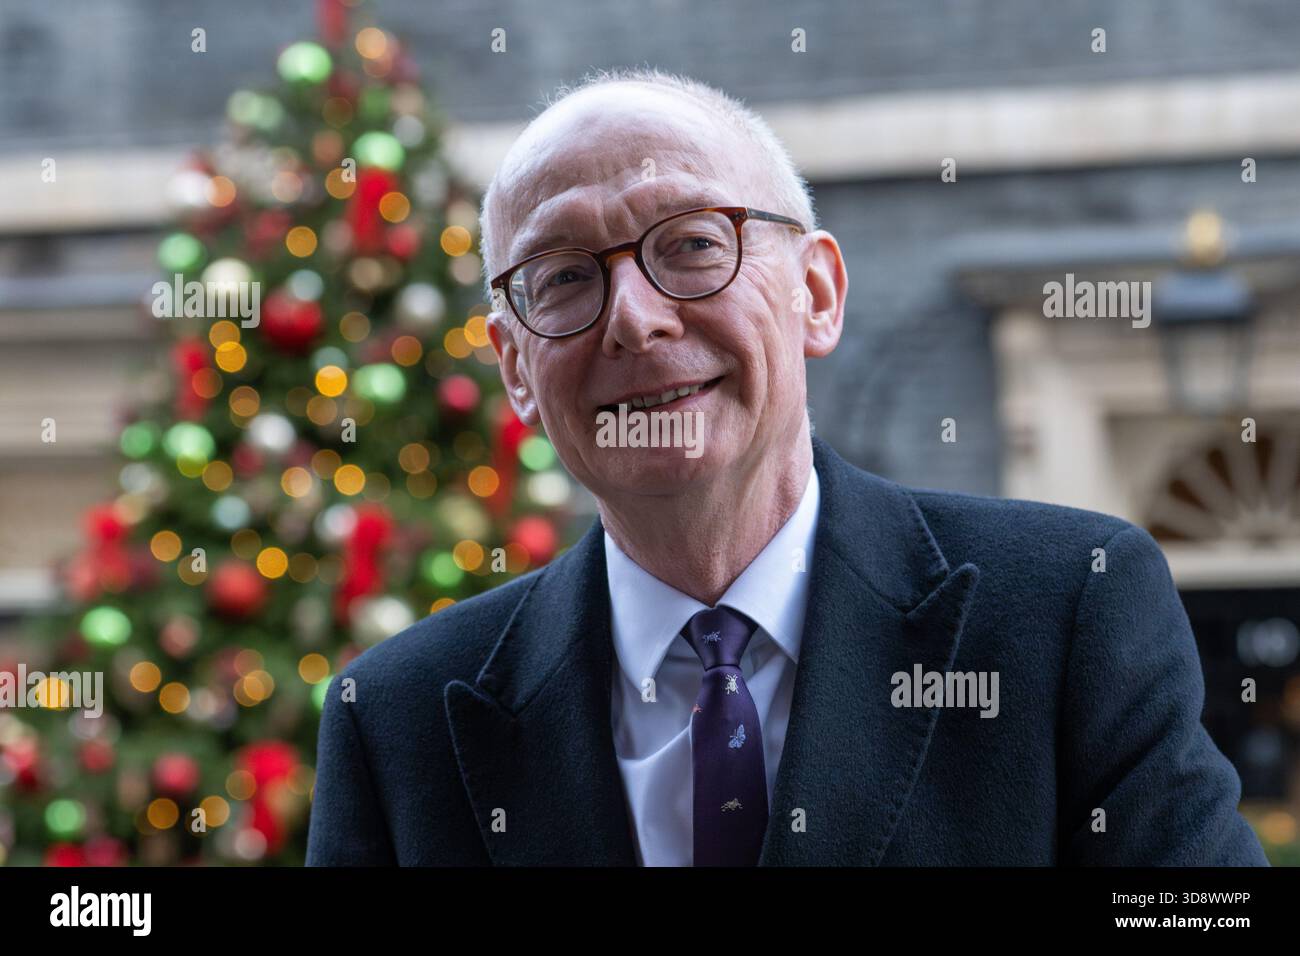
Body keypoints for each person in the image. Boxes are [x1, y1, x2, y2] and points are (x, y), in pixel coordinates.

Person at [306, 69, 1267, 866]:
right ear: (515, 366)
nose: (635, 318)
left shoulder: (1065, 615)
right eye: (563, 276)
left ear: (816, 291)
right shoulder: (398, 723)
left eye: (690, 245)